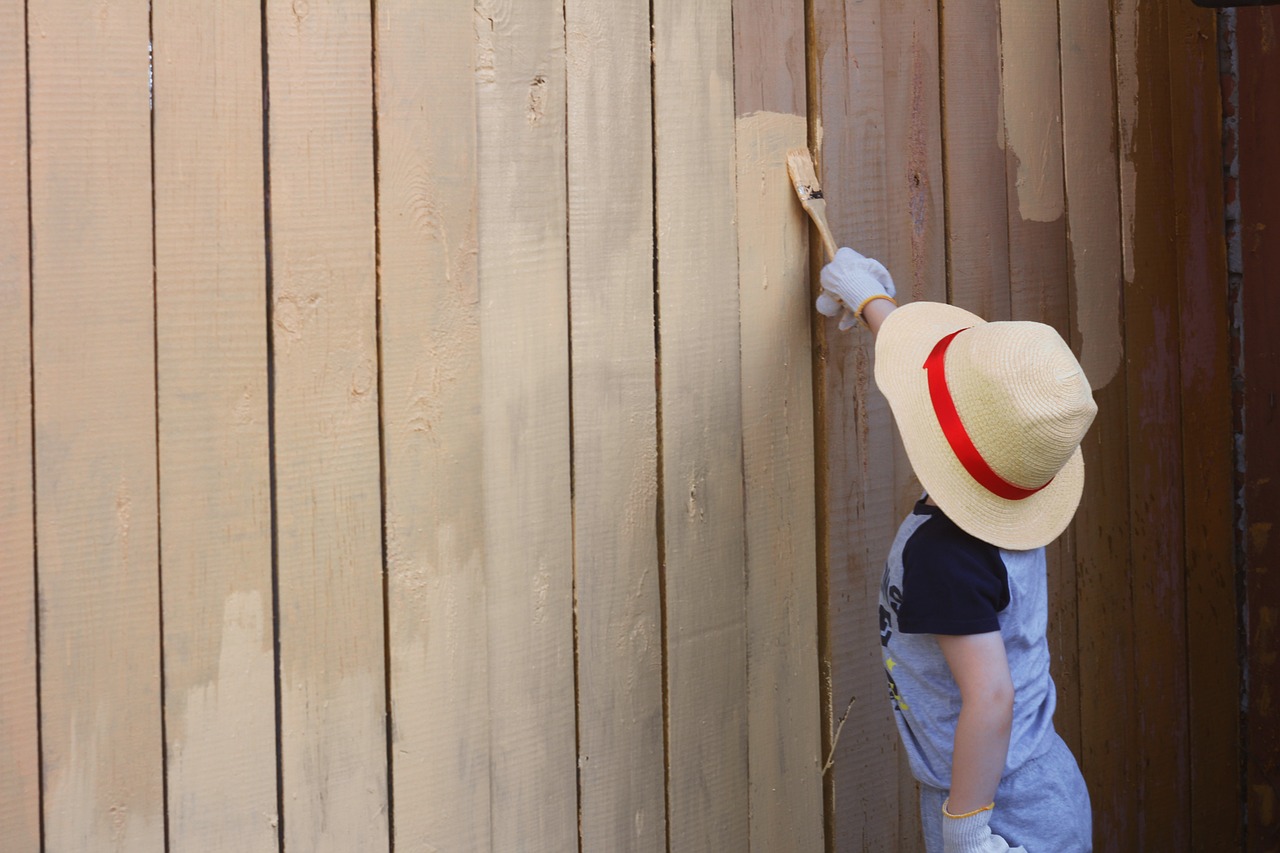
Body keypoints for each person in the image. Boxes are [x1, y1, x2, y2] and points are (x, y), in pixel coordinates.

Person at [817, 247, 1095, 853]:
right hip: (1037, 779)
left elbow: (992, 697)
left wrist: (968, 830)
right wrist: (866, 298)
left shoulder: (944, 557)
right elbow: (937, 391)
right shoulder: (1004, 498)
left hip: (999, 809)